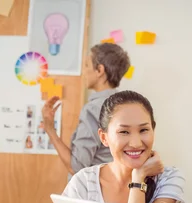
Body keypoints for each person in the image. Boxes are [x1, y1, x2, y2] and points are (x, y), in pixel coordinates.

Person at [62, 90, 185, 203]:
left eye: (143, 130)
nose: (135, 143)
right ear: (104, 137)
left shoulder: (169, 179)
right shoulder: (83, 183)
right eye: (124, 132)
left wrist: (138, 178)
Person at [41, 43, 130, 176]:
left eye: (87, 65)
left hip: (91, 192)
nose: (84, 71)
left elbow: (76, 167)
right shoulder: (126, 105)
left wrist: (50, 130)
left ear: (100, 70)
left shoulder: (94, 109)